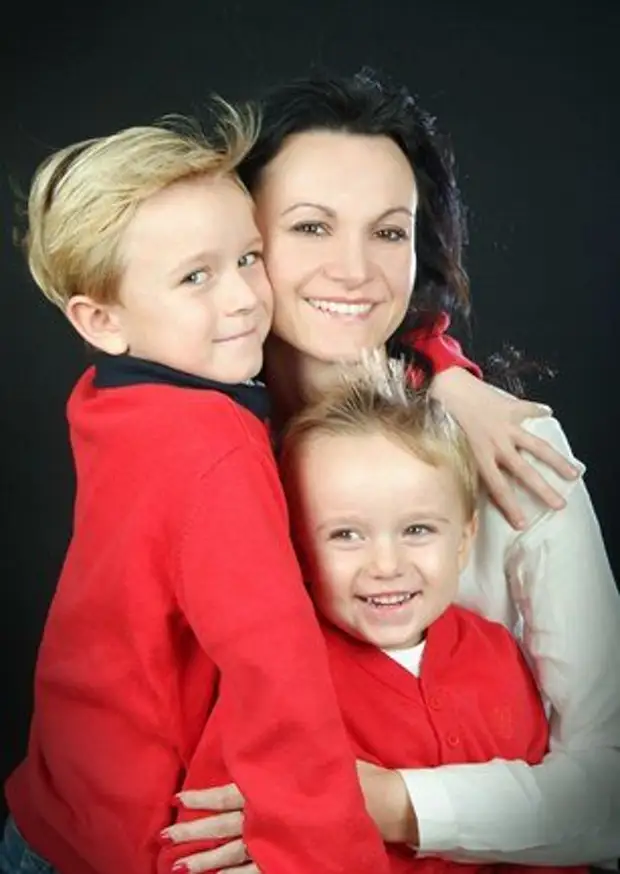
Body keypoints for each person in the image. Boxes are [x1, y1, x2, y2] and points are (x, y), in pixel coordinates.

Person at [160, 69, 620, 873]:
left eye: (389, 232)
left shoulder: (509, 448)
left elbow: (610, 794)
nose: (355, 271)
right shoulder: (202, 454)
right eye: (311, 227)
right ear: (244, 241)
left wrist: (383, 803)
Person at [0, 108, 391, 874]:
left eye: (249, 257)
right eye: (195, 277)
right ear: (101, 320)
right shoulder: (210, 442)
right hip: (130, 846)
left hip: (51, 815)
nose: (244, 297)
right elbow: (279, 676)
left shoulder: (115, 400)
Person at [277, 353, 589, 874]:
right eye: (346, 535)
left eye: (417, 530)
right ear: (301, 548)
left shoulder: (497, 655)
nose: (386, 565)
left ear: (464, 540)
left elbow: (545, 842)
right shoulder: (290, 674)